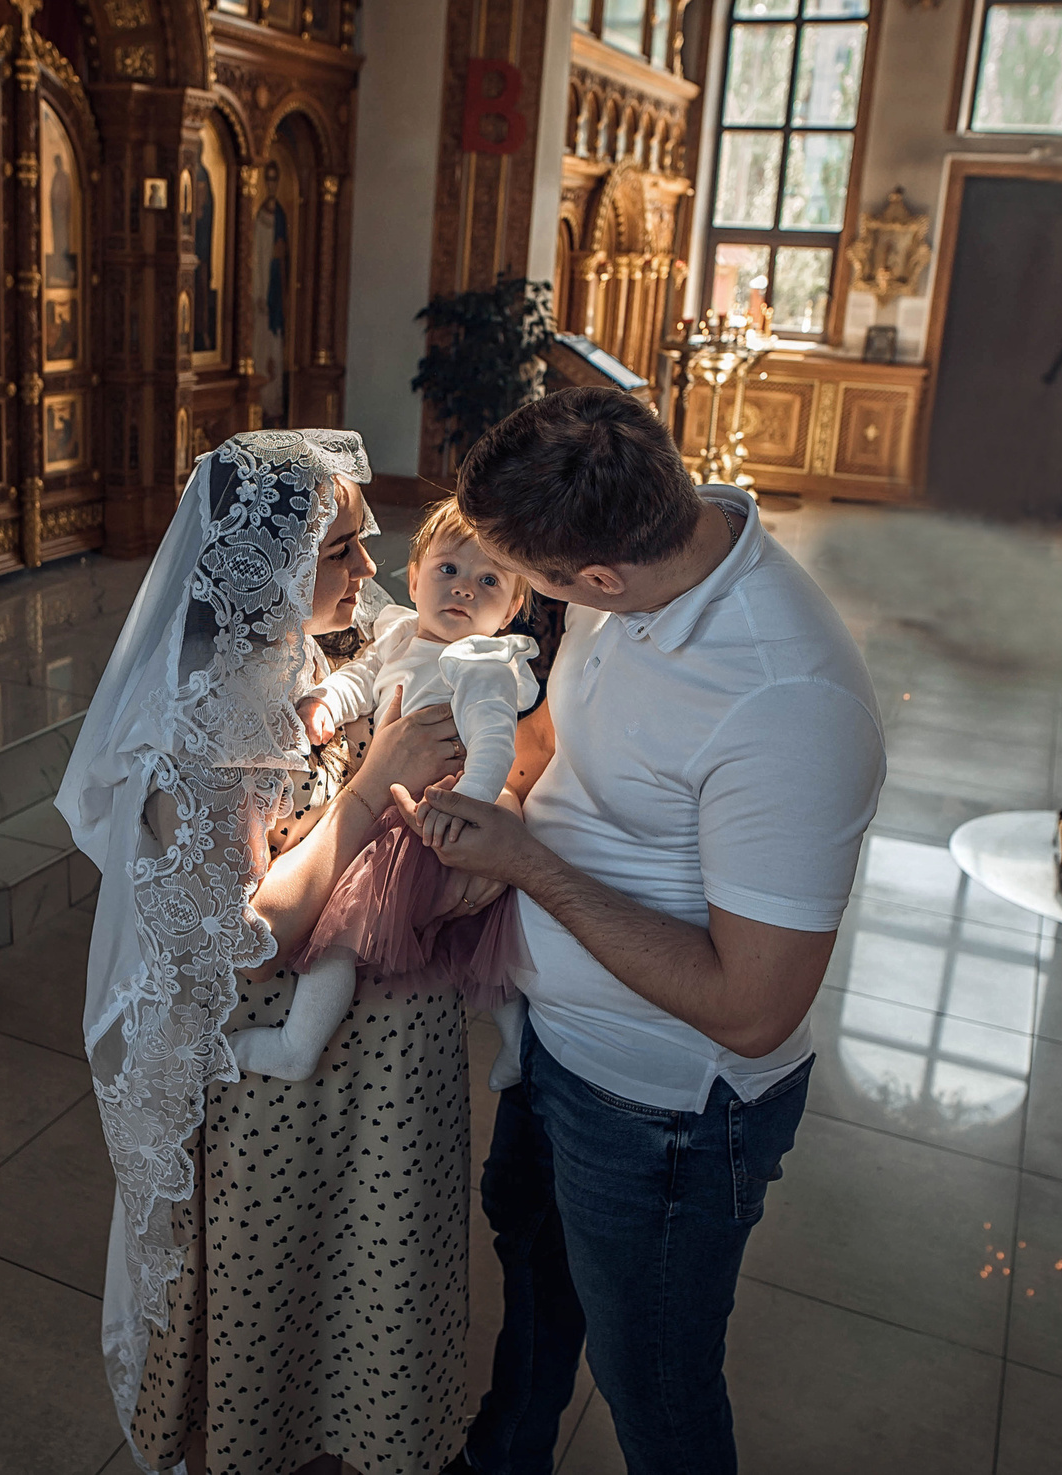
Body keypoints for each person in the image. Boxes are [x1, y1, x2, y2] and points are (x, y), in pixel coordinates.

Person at [408, 388, 886, 1475]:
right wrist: (501, 784)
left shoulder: (785, 703)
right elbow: (590, 757)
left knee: (656, 1389)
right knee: (532, 1298)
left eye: (530, 582)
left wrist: (527, 863)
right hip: (553, 1044)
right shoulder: (633, 553)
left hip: (662, 1113)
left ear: (598, 581)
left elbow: (755, 1010)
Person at [58, 430, 485, 1475]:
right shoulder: (202, 723)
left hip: (367, 1060)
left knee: (358, 1296)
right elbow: (246, 940)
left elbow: (413, 620)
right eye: (342, 551)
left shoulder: (293, 647)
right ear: (269, 566)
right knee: (275, 1307)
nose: (367, 572)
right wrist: (370, 783)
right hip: (269, 1084)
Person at [235, 498, 535, 1085]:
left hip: (436, 814)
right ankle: (304, 1044)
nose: (464, 590)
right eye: (449, 570)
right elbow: (362, 678)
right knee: (384, 932)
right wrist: (325, 703)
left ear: (511, 609)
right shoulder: (396, 636)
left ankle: (300, 1045)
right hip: (402, 809)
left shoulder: (483, 663)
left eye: (490, 581)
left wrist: (467, 805)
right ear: (415, 576)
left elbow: (497, 745)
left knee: (348, 932)